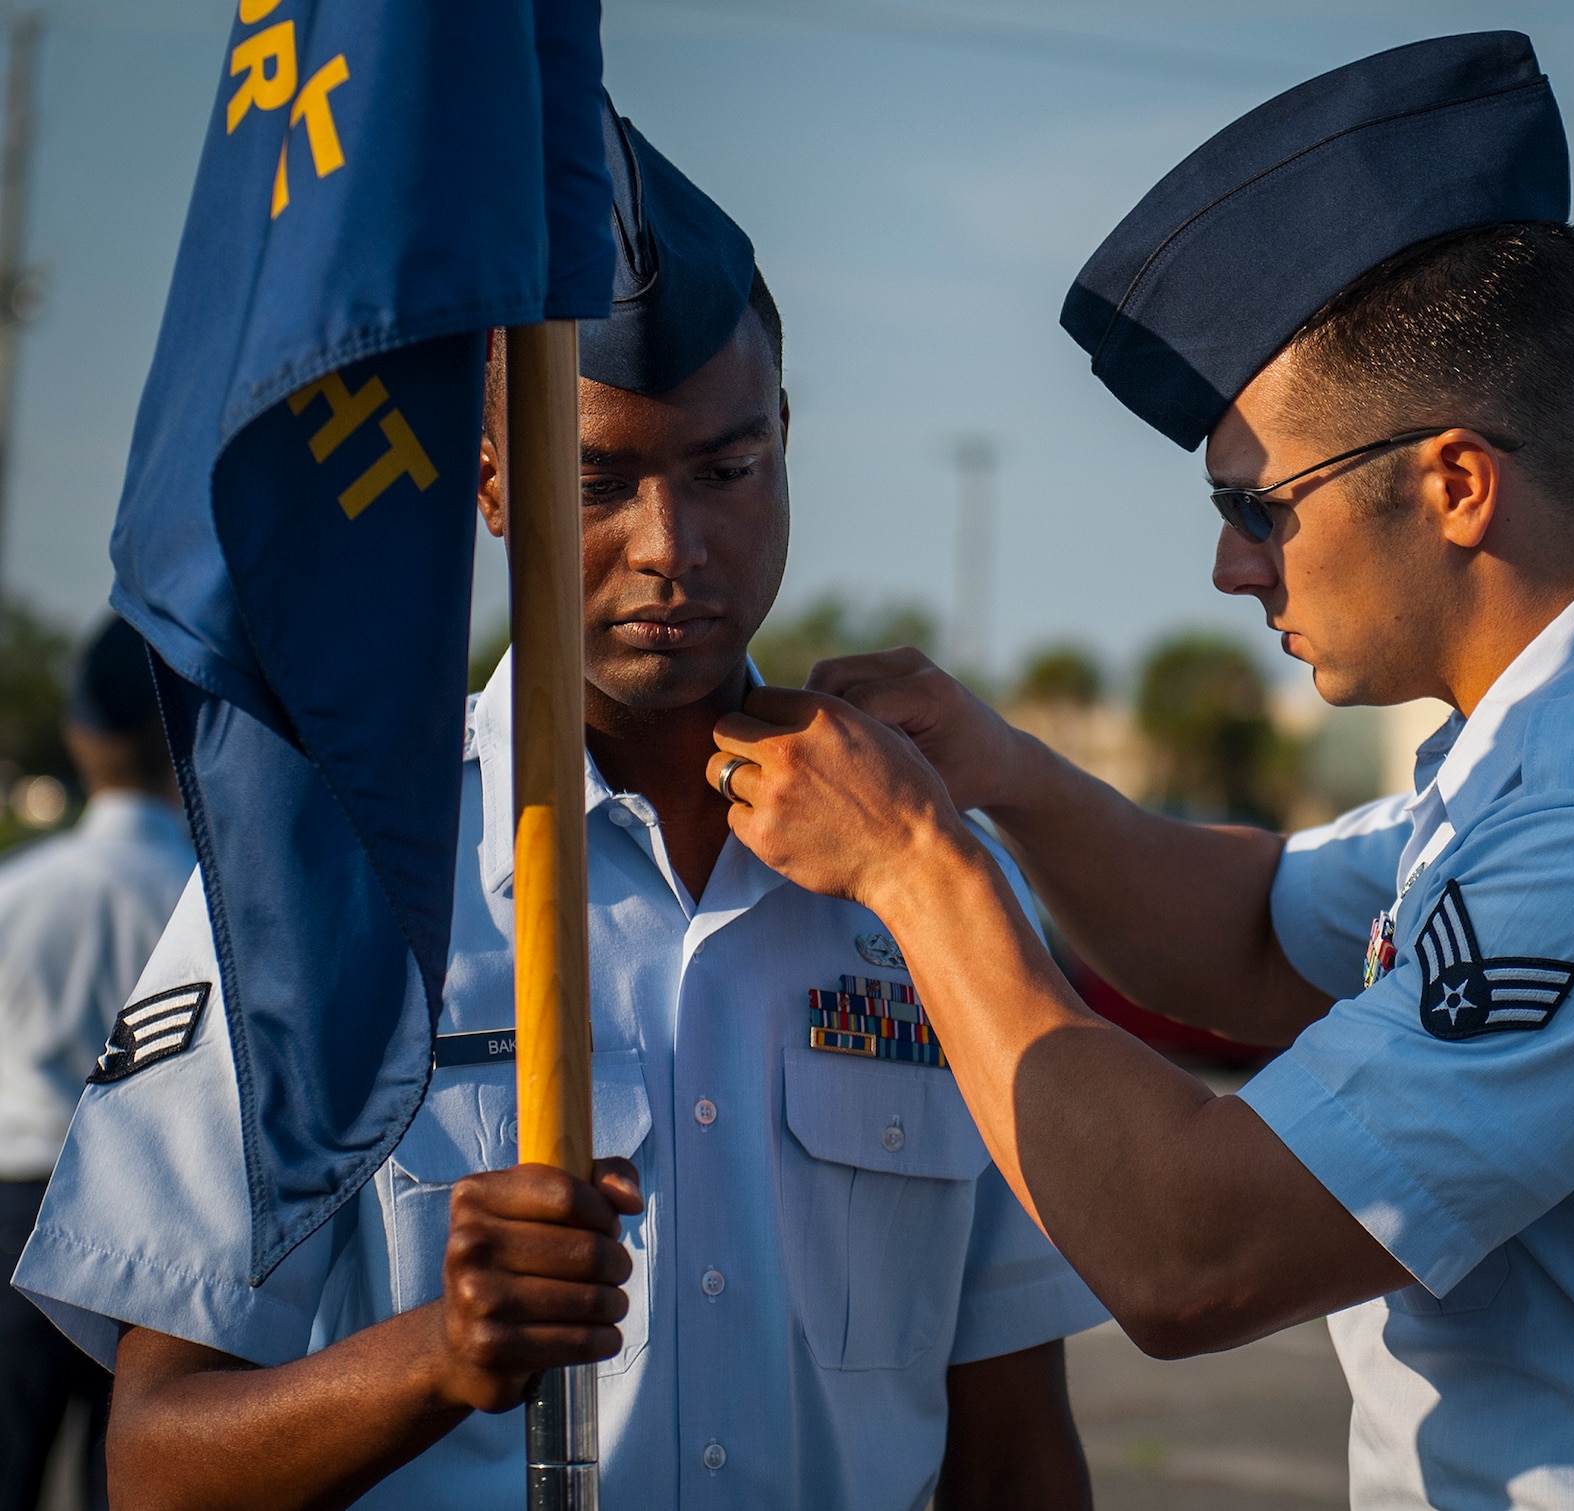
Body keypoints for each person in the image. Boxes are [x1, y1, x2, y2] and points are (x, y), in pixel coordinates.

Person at [699, 32, 1574, 1508]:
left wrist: (912, 865)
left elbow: (1188, 1253)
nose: (1227, 563)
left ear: (1456, 482)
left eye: (1262, 507)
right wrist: (1001, 771)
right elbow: (1266, 934)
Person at [13, 99, 1103, 1511]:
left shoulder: (931, 884)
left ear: (785, 438)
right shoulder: (332, 882)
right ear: (490, 481)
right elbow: (155, 1462)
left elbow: (1014, 1445)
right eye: (595, 479)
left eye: (726, 470)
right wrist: (435, 1355)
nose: (673, 549)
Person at [0, 616, 194, 1511]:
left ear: (81, 736)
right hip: (161, 1208)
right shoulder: (210, 900)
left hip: (12, 1197)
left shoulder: (19, 891)